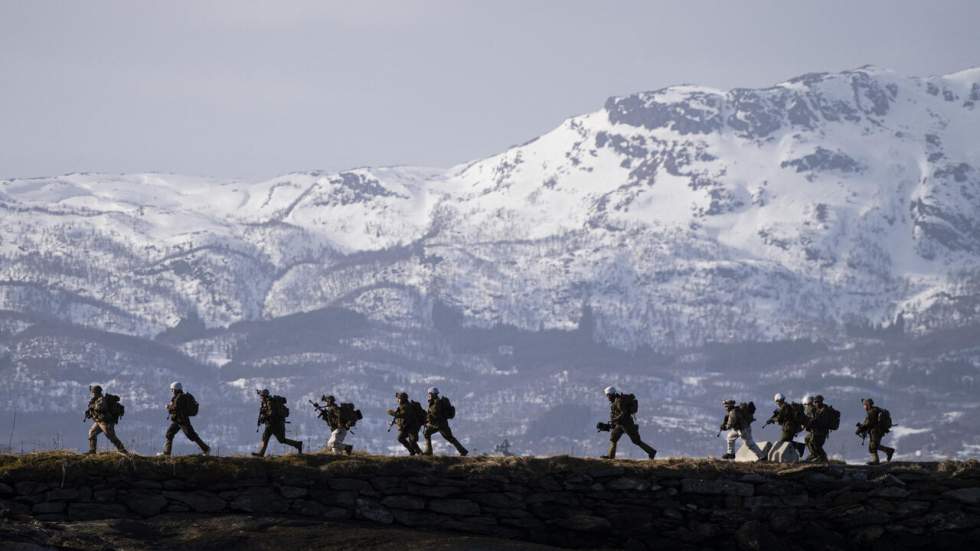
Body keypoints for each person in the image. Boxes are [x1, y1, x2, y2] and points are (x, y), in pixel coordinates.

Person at [597, 386, 657, 460]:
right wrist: (609, 425)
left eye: (607, 395)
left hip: (627, 424)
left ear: (610, 394)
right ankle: (610, 456)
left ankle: (651, 452)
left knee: (636, 441)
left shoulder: (619, 401)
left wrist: (615, 419)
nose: (607, 397)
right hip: (620, 424)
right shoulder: (616, 401)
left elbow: (624, 413)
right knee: (613, 438)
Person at [162, 382, 210, 457]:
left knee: (191, 435)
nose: (171, 391)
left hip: (182, 420)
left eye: (172, 390)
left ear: (175, 389)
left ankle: (206, 449)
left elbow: (176, 409)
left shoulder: (179, 397)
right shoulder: (179, 396)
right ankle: (166, 453)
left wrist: (168, 407)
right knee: (169, 434)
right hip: (178, 420)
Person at [252, 389, 303, 457]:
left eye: (261, 396)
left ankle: (298, 444)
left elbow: (272, 413)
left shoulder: (270, 402)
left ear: (264, 396)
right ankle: (261, 453)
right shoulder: (268, 402)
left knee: (275, 439)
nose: (260, 397)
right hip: (274, 424)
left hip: (275, 424)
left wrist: (264, 417)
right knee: (272, 438)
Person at [422, 387, 468, 456]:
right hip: (441, 424)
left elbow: (434, 414)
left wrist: (427, 421)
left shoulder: (436, 403)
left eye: (429, 394)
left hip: (439, 424)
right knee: (450, 438)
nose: (428, 395)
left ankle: (428, 452)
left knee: (427, 433)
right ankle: (463, 451)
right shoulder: (435, 402)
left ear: (433, 394)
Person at [84, 385, 128, 455]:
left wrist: (92, 407)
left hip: (106, 422)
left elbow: (100, 408)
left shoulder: (101, 399)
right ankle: (92, 451)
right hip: (99, 421)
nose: (92, 394)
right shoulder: (96, 399)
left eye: (93, 392)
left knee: (111, 437)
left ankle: (123, 450)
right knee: (92, 433)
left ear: (96, 392)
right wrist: (90, 411)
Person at [856, 398, 895, 465]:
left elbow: (868, 423)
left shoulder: (872, 412)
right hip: (876, 431)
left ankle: (886, 453)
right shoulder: (874, 410)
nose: (864, 407)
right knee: (872, 447)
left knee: (873, 446)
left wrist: (859, 429)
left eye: (864, 405)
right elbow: (868, 423)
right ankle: (878, 459)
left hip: (876, 431)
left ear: (868, 405)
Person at [803, 395, 834, 463]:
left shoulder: (824, 410)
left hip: (821, 432)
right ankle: (814, 454)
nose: (816, 403)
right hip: (816, 431)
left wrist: (813, 422)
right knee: (807, 439)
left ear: (821, 402)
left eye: (817, 402)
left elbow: (821, 422)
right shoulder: (817, 409)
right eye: (815, 402)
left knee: (816, 445)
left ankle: (823, 458)